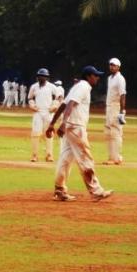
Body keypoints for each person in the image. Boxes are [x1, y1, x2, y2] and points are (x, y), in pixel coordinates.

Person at [46, 66, 113, 202]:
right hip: (76, 126)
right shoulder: (83, 86)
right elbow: (70, 104)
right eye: (95, 75)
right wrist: (63, 123)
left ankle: (59, 190)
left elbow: (63, 105)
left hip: (70, 127)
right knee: (85, 158)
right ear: (88, 76)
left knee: (65, 159)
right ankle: (96, 191)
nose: (97, 78)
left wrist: (52, 124)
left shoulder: (77, 86)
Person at [28, 69, 61, 162]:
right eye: (40, 76)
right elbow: (30, 98)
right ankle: (34, 155)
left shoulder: (52, 87)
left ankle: (49, 155)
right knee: (35, 133)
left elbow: (59, 97)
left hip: (48, 112)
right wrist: (32, 105)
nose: (41, 78)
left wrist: (55, 105)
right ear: (37, 77)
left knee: (49, 133)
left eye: (43, 76)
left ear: (47, 77)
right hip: (38, 112)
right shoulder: (34, 87)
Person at [104, 58, 128, 165]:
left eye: (114, 65)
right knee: (108, 132)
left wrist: (122, 111)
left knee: (116, 132)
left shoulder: (120, 79)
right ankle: (111, 157)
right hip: (109, 107)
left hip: (116, 106)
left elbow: (122, 95)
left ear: (118, 67)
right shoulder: (110, 78)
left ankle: (117, 157)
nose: (111, 67)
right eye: (110, 65)